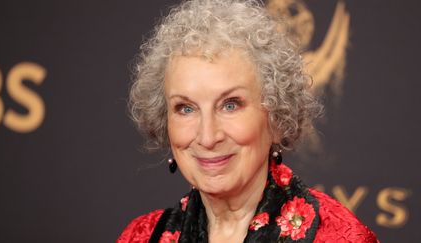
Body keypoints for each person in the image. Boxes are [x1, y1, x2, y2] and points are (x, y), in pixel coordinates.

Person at [117, 0, 378, 242]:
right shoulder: (140, 236)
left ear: (276, 118)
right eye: (186, 108)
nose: (208, 136)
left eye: (230, 105)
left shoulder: (339, 237)